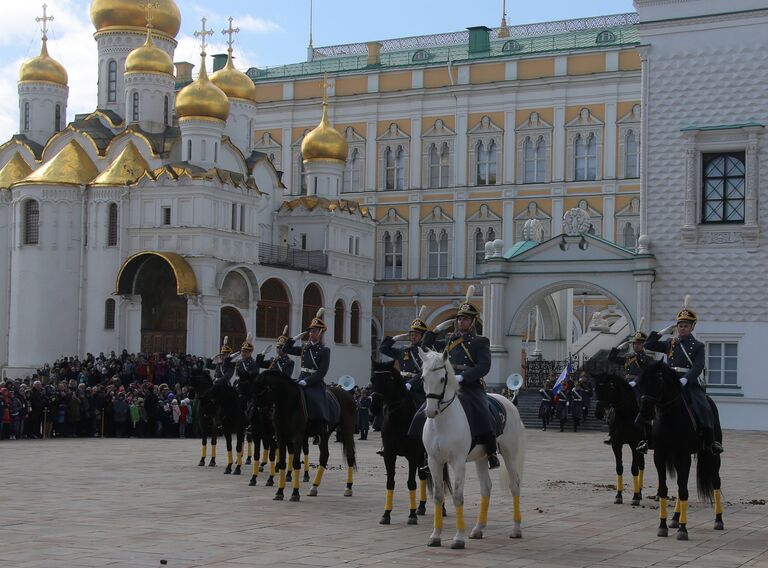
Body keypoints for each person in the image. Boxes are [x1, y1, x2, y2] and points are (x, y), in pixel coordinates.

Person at [423, 286, 499, 469]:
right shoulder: (450, 339)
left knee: (482, 411)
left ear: (472, 322)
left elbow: (483, 366)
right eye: (459, 318)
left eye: (465, 319)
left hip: (470, 385)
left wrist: (463, 377)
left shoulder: (481, 341)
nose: (460, 321)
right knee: (423, 410)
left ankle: (491, 452)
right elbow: (426, 347)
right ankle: (428, 452)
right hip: (447, 386)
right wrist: (435, 330)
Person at [644, 298, 722, 455]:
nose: (682, 328)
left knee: (704, 406)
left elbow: (698, 366)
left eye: (686, 325)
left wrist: (686, 379)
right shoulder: (670, 343)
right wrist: (662, 331)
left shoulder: (698, 346)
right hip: (669, 382)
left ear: (692, 327)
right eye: (680, 325)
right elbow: (648, 345)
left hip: (689, 382)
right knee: (648, 402)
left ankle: (710, 441)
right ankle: (647, 439)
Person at [283, 308, 331, 424]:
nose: (311, 333)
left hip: (314, 382)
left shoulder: (324, 350)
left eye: (314, 331)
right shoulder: (305, 348)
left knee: (315, 400)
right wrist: (294, 338)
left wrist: (307, 381)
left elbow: (322, 372)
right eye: (310, 331)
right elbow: (286, 349)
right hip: (301, 378)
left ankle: (320, 425)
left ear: (320, 333)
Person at [606, 327, 651, 445]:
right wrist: (619, 346)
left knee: (643, 407)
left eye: (639, 344)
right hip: (626, 384)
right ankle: (612, 431)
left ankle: (647, 436)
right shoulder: (628, 357)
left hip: (639, 386)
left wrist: (635, 381)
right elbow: (611, 358)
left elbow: (644, 372)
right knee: (614, 405)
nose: (637, 346)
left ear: (643, 345)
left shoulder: (647, 359)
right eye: (635, 343)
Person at [379, 307, 428, 408]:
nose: (413, 337)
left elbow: (424, 372)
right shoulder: (404, 351)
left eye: (417, 335)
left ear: (423, 336)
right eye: (411, 334)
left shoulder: (427, 352)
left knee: (421, 410)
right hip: (402, 384)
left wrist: (410, 384)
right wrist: (395, 338)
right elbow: (383, 349)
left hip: (418, 387)